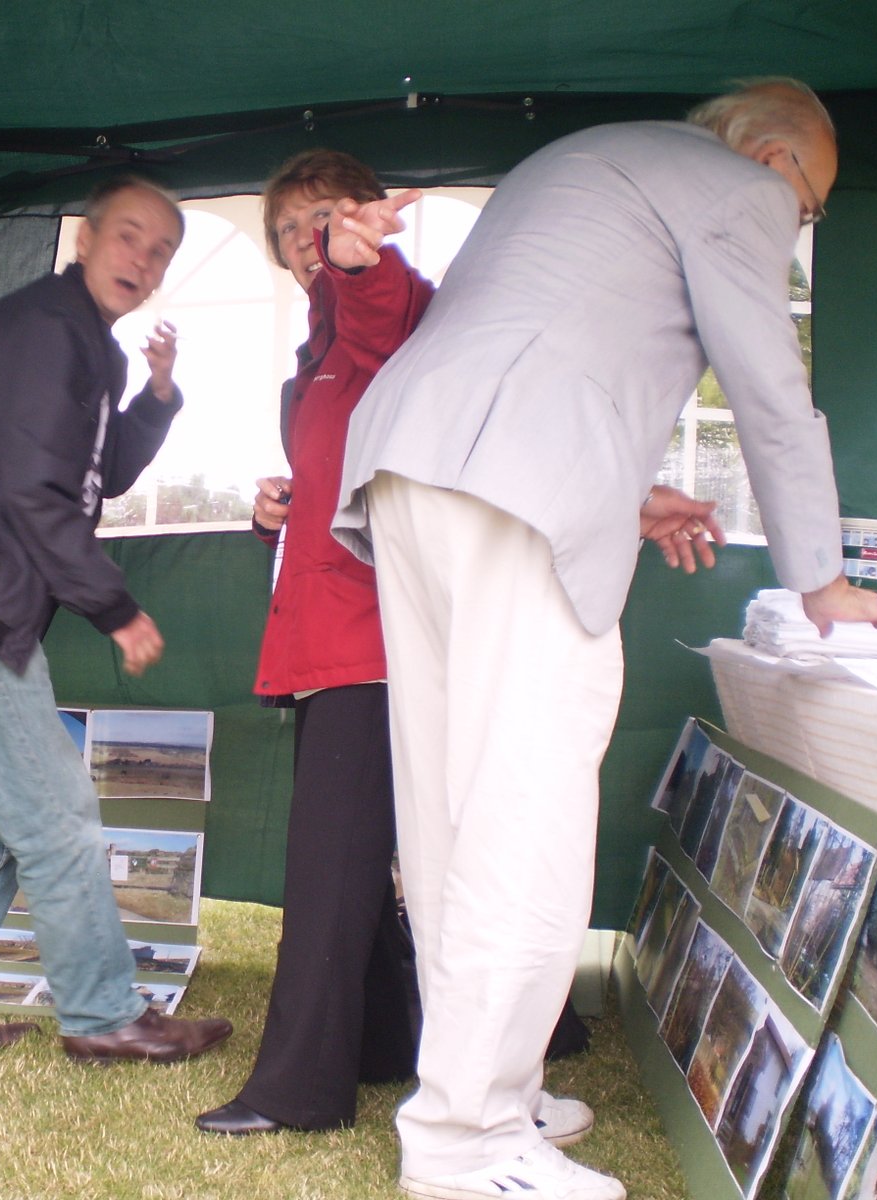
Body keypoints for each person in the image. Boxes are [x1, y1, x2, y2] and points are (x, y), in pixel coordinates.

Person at [331, 80, 877, 1200]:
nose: (799, 225)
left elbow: (541, 333)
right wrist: (821, 578)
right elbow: (770, 389)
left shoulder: (588, 156)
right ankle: (468, 1142)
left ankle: (488, 1088)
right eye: (813, 206)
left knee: (451, 806)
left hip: (413, 463)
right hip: (511, 481)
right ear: (775, 157)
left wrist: (625, 491)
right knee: (525, 809)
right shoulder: (740, 190)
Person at [195, 151, 591, 1144]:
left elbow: (380, 312)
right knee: (364, 866)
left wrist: (357, 262)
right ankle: (380, 1044)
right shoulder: (314, 352)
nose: (305, 244)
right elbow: (346, 469)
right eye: (289, 231)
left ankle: (298, 1089)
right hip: (332, 634)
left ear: (367, 219)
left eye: (322, 220)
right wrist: (271, 510)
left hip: (380, 640)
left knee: (330, 869)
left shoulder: (390, 305)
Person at [0, 175, 234, 1064]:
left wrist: (159, 394)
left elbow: (98, 479)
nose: (142, 260)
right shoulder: (48, 331)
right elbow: (34, 491)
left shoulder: (87, 350)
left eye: (161, 251)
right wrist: (115, 606)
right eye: (129, 237)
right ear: (85, 239)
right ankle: (105, 1016)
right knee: (59, 814)